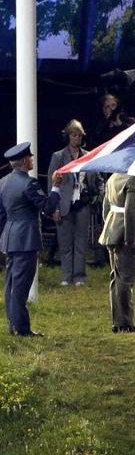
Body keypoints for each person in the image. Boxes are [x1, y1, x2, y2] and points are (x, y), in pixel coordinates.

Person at [0, 142, 62, 336]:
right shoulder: (29, 183)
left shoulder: (3, 182)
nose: (32, 160)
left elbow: (2, 214)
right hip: (25, 238)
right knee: (21, 285)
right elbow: (47, 208)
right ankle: (21, 328)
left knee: (11, 283)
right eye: (31, 157)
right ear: (25, 160)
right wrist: (56, 187)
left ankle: (14, 325)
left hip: (10, 237)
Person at [47, 120, 104, 286]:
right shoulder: (58, 156)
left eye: (79, 135)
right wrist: (54, 208)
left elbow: (98, 178)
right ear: (68, 136)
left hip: (82, 205)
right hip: (64, 204)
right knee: (65, 243)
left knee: (81, 243)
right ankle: (66, 277)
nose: (77, 138)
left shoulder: (88, 156)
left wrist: (97, 197)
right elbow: (52, 185)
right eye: (74, 135)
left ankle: (79, 277)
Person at [99, 173, 135, 333]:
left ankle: (118, 322)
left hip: (113, 230)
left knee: (116, 278)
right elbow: (131, 209)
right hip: (128, 233)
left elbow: (105, 208)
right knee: (126, 280)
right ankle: (125, 324)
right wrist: (130, 239)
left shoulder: (113, 177)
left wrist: (110, 228)